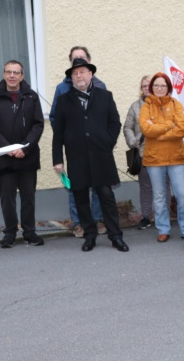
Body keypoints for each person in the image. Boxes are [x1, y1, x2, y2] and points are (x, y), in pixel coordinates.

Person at [52, 58, 129, 253]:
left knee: (106, 197)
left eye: (83, 72)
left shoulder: (105, 96)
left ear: (91, 74)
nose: (79, 76)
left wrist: (107, 142)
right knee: (81, 199)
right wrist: (58, 160)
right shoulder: (63, 100)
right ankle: (90, 235)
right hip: (76, 157)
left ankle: (116, 236)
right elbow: (58, 132)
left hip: (102, 157)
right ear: (71, 77)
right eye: (76, 73)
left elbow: (115, 123)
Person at [0, 60, 45, 248]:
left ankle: (29, 232)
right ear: (4, 74)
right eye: (9, 72)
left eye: (16, 72)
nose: (12, 75)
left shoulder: (31, 96)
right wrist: (7, 148)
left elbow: (38, 124)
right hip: (5, 158)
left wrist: (25, 148)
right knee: (7, 199)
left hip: (27, 156)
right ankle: (10, 232)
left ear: (22, 75)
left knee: (28, 197)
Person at [50, 46, 107, 238]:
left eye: (82, 58)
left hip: (96, 146)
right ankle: (79, 223)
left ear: (89, 61)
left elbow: (106, 117)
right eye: (75, 59)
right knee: (77, 185)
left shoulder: (100, 86)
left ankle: (98, 220)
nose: (78, 61)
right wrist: (68, 136)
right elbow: (54, 118)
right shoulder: (62, 88)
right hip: (75, 147)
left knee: (99, 184)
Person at [140, 72, 184, 242]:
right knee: (160, 195)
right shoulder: (146, 106)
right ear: (151, 88)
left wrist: (160, 133)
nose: (159, 88)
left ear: (168, 88)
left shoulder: (176, 104)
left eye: (163, 85)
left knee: (183, 194)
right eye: (156, 86)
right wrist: (170, 125)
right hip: (154, 159)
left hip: (176, 157)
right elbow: (147, 130)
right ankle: (163, 229)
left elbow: (183, 128)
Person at [123, 75, 154, 230]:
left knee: (163, 187)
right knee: (146, 187)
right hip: (142, 153)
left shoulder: (164, 104)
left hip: (161, 154)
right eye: (143, 86)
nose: (146, 88)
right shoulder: (135, 106)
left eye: (149, 85)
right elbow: (127, 126)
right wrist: (133, 141)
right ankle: (146, 217)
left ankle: (165, 215)